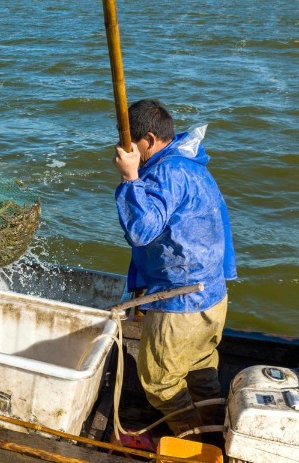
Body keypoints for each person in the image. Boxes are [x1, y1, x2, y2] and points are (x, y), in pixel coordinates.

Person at [112, 99, 237, 437]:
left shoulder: (165, 172)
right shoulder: (190, 162)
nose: (125, 152)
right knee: (201, 367)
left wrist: (130, 179)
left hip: (182, 301)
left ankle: (193, 439)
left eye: (131, 145)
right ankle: (217, 427)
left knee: (159, 381)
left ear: (150, 139)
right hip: (213, 293)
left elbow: (142, 230)